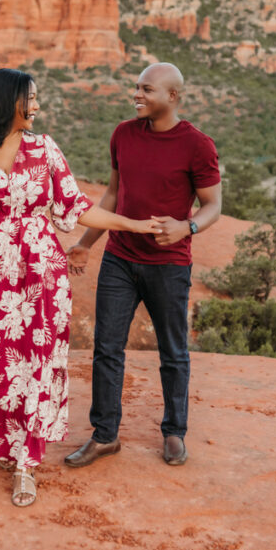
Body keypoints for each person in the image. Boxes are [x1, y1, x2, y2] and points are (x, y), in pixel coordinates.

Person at [0, 68, 159, 507]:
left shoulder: (45, 149)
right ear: (7, 102)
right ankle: (1, 439)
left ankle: (25, 464)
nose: (37, 107)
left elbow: (75, 206)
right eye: (30, 99)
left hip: (41, 275)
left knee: (36, 367)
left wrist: (130, 224)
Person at [64, 62, 222, 469]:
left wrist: (187, 228)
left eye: (146, 89)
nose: (137, 95)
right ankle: (105, 436)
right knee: (107, 349)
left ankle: (173, 433)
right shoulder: (123, 134)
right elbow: (113, 195)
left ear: (172, 96)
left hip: (169, 265)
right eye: (136, 87)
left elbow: (213, 206)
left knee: (173, 352)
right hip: (120, 258)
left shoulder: (198, 145)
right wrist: (85, 244)